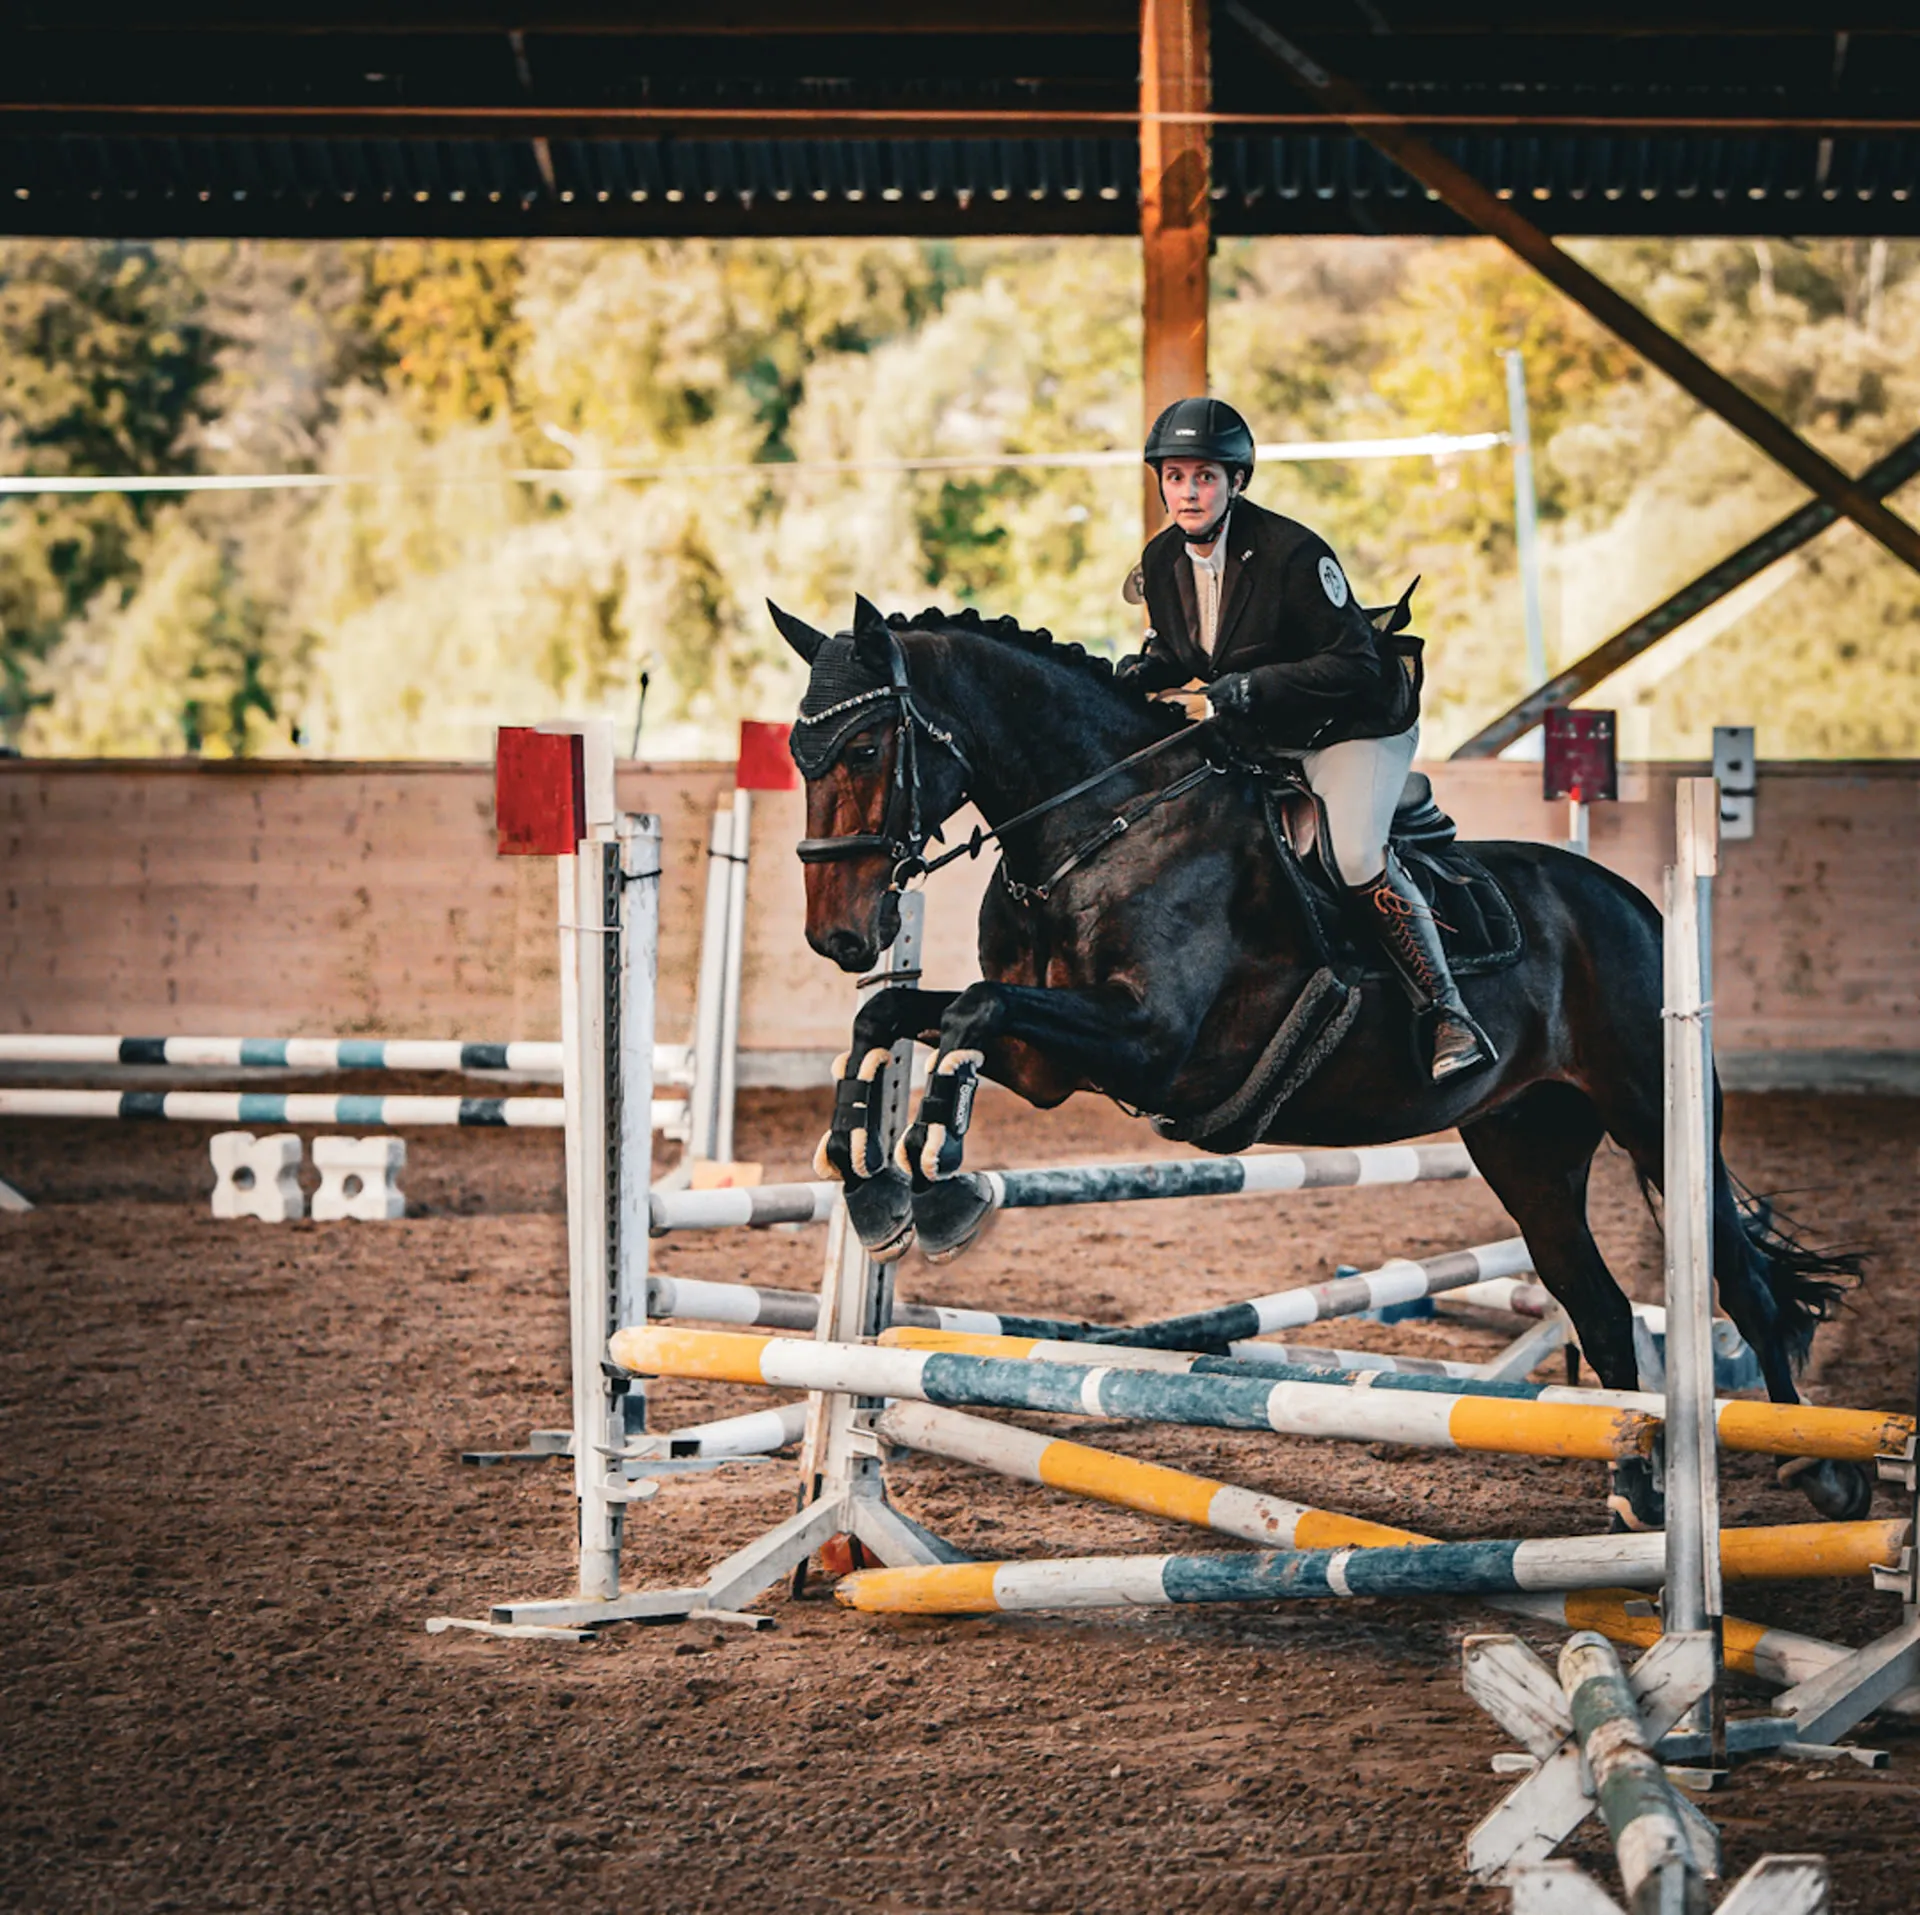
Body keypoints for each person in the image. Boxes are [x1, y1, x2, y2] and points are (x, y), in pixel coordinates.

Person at [1115, 396, 1494, 1082]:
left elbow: (1356, 663)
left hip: (1351, 726)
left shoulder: (1294, 553)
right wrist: (1139, 674)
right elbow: (1181, 649)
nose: (1188, 492)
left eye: (1205, 477)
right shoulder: (1162, 557)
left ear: (1236, 481)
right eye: (1175, 477)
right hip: (1266, 735)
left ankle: (1448, 1011)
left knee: (1352, 853)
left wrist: (1252, 688)